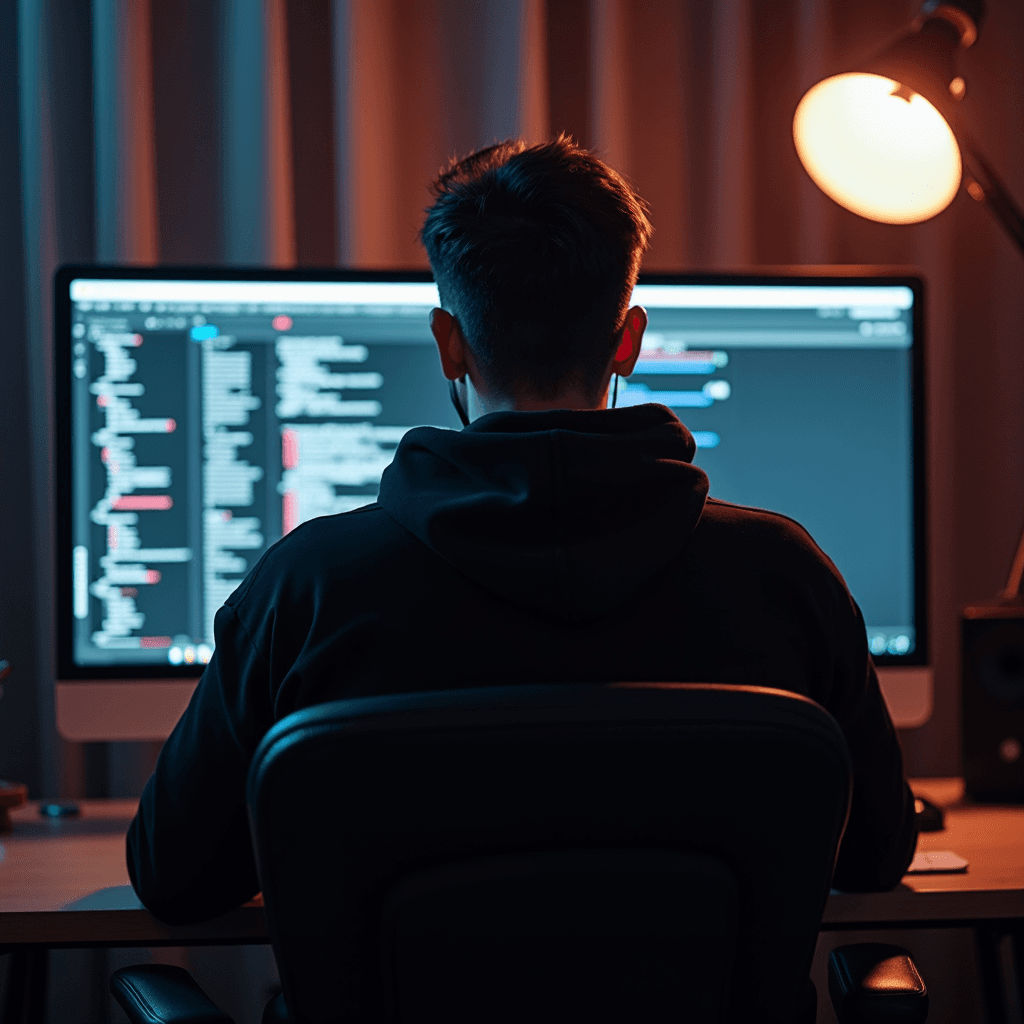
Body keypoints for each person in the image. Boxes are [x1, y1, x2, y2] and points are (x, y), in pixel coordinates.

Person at [127, 136, 916, 925]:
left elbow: (177, 876)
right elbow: (876, 855)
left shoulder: (307, 587)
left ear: (449, 346)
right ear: (629, 341)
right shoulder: (785, 576)